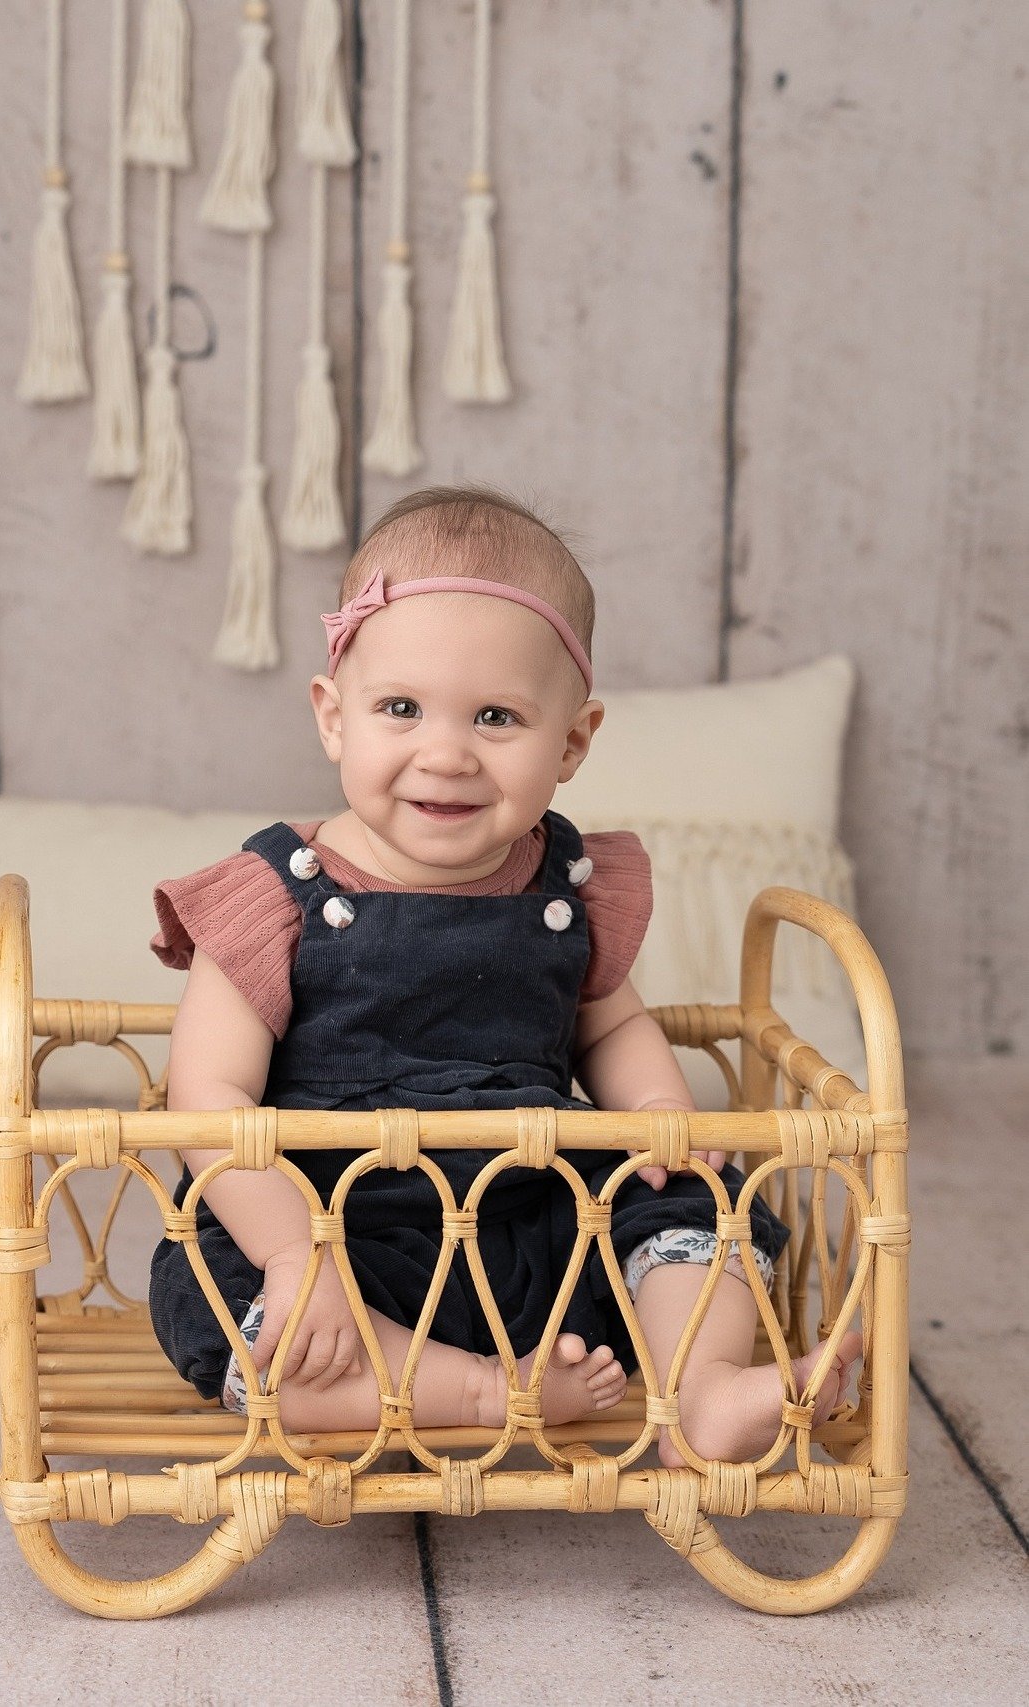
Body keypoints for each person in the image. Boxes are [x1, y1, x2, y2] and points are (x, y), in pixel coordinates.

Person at [146, 484, 862, 1463]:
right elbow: (206, 1096)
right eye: (400, 708)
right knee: (220, 1298)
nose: (444, 754)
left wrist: (659, 1110)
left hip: (544, 1214)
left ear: (569, 742)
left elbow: (604, 1027)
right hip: (344, 1232)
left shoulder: (568, 881)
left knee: (699, 1189)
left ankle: (702, 1391)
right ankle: (482, 1393)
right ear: (332, 717)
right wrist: (291, 1252)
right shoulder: (272, 891)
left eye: (494, 716)